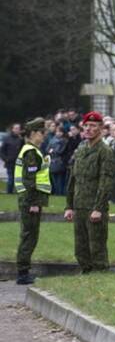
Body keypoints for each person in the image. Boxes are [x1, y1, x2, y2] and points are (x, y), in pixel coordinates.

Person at [63, 112, 115, 273]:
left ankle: (100, 274)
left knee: (96, 246)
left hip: (94, 205)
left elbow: (105, 181)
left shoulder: (105, 151)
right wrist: (69, 205)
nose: (88, 129)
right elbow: (73, 178)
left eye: (93, 126)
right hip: (79, 204)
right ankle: (85, 272)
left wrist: (98, 208)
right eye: (86, 126)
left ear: (100, 129)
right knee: (81, 246)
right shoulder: (81, 149)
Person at [14, 118, 50, 285]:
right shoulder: (31, 152)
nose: (43, 136)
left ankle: (23, 270)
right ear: (34, 133)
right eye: (42, 133)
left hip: (28, 200)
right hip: (30, 201)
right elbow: (30, 180)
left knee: (28, 235)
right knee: (29, 236)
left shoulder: (30, 150)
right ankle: (23, 273)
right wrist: (34, 203)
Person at [2, 122, 24, 194]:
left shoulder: (20, 139)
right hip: (10, 162)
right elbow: (2, 151)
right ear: (12, 129)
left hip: (18, 162)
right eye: (16, 128)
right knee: (11, 178)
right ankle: (9, 191)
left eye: (18, 128)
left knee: (18, 178)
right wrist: (5, 159)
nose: (17, 130)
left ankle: (17, 191)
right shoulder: (7, 139)